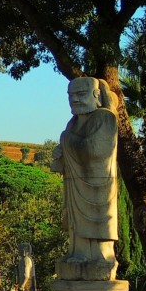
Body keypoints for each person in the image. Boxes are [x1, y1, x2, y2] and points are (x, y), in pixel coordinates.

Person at [51, 77, 119, 280]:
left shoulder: (105, 118)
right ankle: (78, 252)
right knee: (76, 223)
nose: (75, 100)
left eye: (80, 95)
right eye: (71, 96)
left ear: (96, 95)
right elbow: (71, 148)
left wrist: (65, 140)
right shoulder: (73, 122)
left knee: (98, 219)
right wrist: (60, 152)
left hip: (97, 183)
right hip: (75, 182)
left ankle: (101, 257)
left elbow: (96, 150)